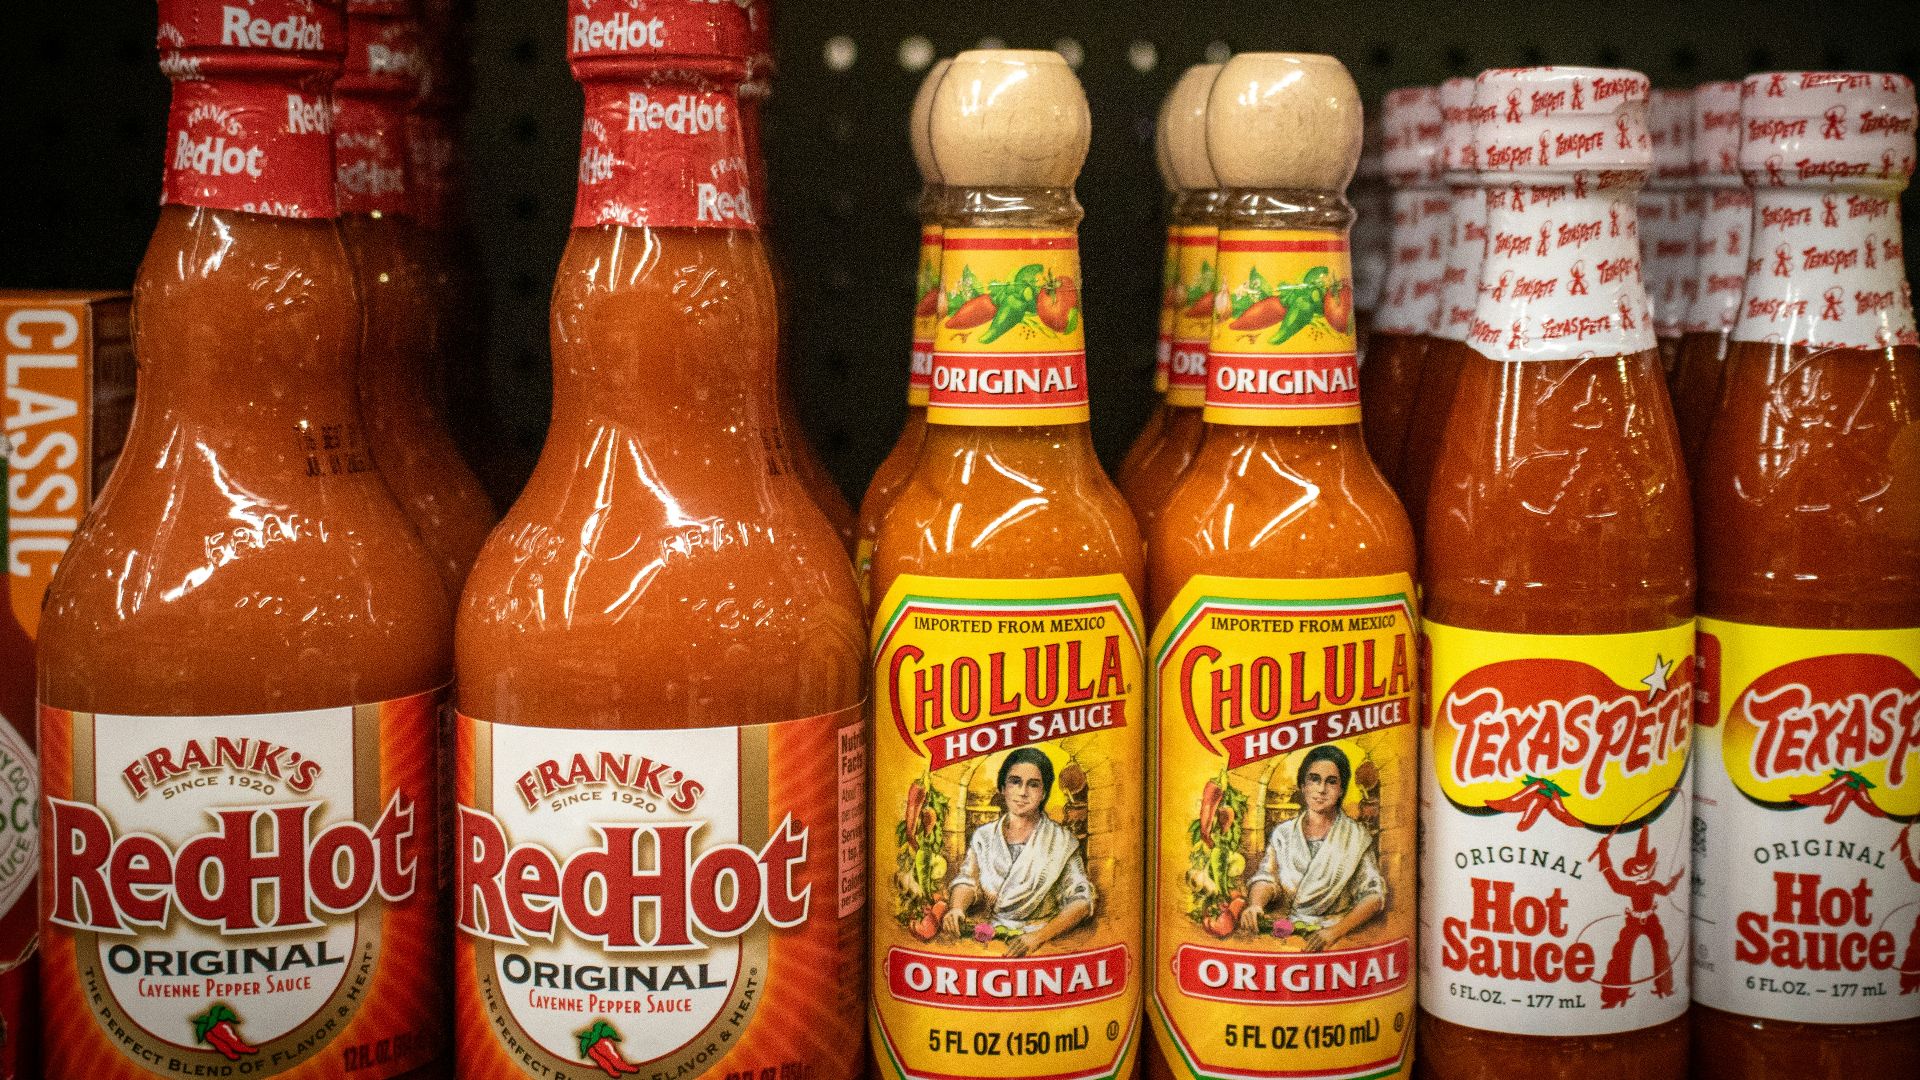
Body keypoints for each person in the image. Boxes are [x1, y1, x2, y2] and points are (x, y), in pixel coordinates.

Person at [941, 747, 1096, 956]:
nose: (1023, 792)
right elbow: (968, 881)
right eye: (1015, 782)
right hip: (991, 938)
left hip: (1043, 943)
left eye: (1033, 785)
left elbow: (1081, 902)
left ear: (1043, 793)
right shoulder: (984, 837)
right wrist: (957, 907)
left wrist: (1037, 937)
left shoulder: (1061, 841)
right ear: (1003, 788)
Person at [1238, 745, 1386, 951]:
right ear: (1303, 785)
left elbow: (1374, 896)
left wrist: (1335, 931)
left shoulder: (1356, 837)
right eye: (1314, 779)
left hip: (1337, 938)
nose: (1321, 789)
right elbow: (1267, 877)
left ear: (1341, 789)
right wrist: (1256, 904)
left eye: (1331, 782)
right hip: (1290, 933)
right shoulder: (1284, 833)